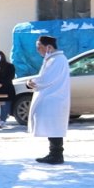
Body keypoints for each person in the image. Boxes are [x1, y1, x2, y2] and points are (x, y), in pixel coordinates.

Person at [27, 35, 71, 164]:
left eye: (39, 47)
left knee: (54, 127)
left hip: (54, 98)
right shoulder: (52, 59)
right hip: (52, 97)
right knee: (53, 126)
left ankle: (56, 155)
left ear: (49, 47)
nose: (38, 50)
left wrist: (31, 82)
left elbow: (47, 79)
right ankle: (54, 153)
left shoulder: (57, 60)